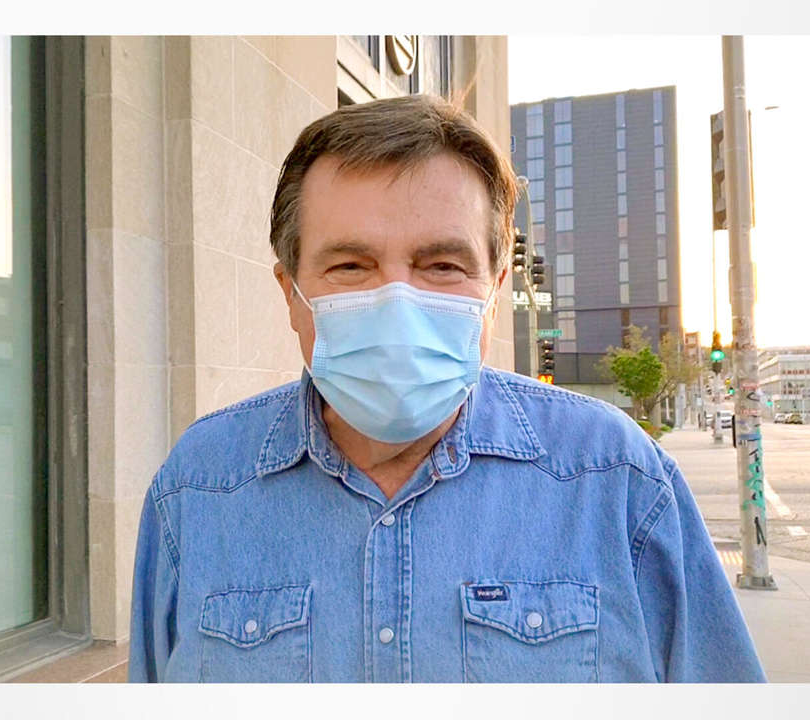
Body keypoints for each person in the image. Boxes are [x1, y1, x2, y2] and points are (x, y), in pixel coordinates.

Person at [128, 94, 764, 683]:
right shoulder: (197, 488)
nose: (398, 304)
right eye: (350, 265)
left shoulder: (616, 479)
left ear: (495, 291)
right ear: (291, 294)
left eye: (442, 265)